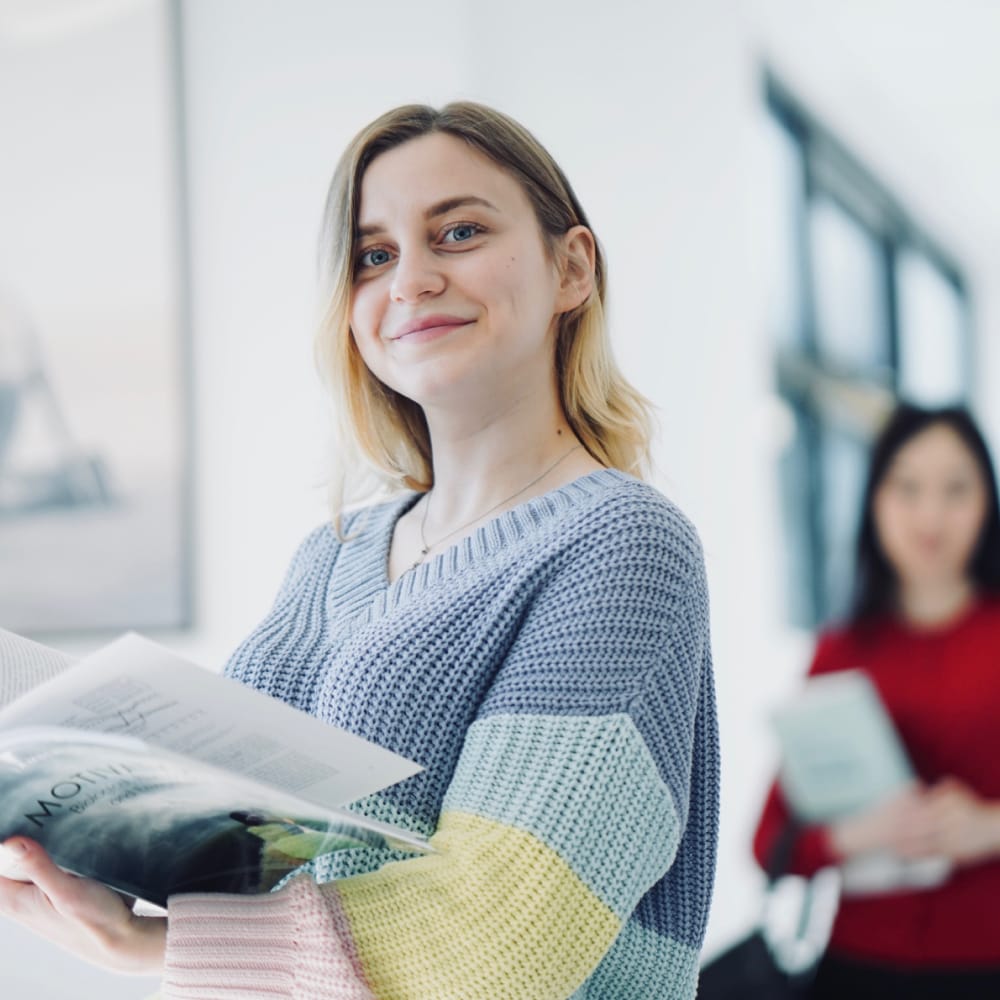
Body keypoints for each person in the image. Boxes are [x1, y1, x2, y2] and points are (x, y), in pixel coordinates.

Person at [0, 102, 719, 998]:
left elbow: (503, 936)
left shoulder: (625, 546)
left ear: (571, 267)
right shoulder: (333, 555)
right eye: (374, 256)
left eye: (457, 232)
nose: (411, 280)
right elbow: (249, 858)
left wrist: (153, 948)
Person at [753, 403, 1000, 1000]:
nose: (930, 516)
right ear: (874, 500)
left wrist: (988, 828)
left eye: (956, 489)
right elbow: (768, 844)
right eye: (907, 487)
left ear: (988, 502)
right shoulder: (839, 653)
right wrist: (853, 836)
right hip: (852, 972)